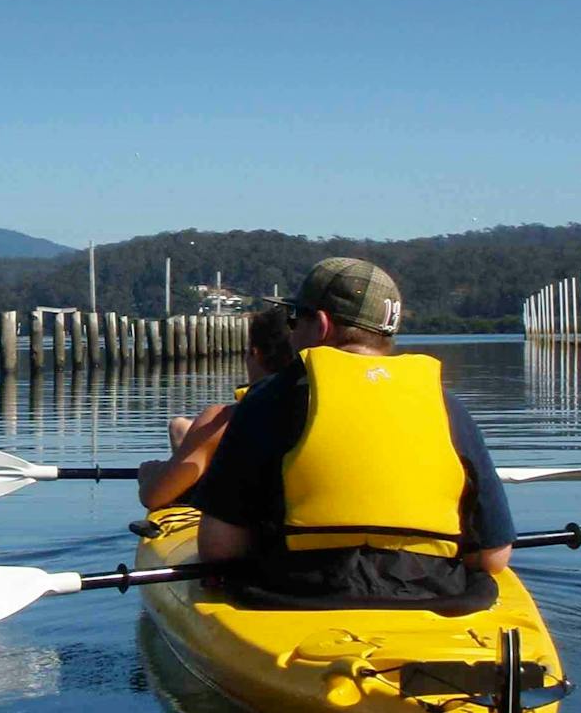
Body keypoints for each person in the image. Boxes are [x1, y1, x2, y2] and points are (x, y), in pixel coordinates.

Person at [193, 257, 515, 608]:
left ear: (321, 325)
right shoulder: (447, 406)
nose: (290, 332)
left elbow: (218, 547)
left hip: (296, 597)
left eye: (293, 319)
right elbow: (493, 557)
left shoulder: (269, 400)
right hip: (435, 597)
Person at [137, 306, 293, 508]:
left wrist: (150, 475)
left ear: (256, 354)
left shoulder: (221, 421)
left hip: (245, 520)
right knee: (180, 428)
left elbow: (152, 497)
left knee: (179, 429)